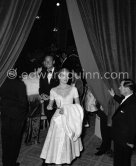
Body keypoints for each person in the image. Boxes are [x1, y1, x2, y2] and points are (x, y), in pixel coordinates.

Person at [40, 68, 84, 166]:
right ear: (59, 76)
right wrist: (49, 106)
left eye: (67, 75)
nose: (65, 78)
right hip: (58, 119)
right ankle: (58, 162)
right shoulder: (53, 90)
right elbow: (50, 106)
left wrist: (67, 109)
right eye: (63, 75)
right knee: (58, 144)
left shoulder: (74, 89)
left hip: (70, 119)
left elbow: (78, 106)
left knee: (68, 144)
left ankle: (66, 160)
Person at [0, 76, 28, 166]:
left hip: (5, 114)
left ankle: (5, 162)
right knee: (14, 142)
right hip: (17, 117)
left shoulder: (2, 81)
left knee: (5, 141)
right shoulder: (20, 84)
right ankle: (11, 163)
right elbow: (24, 103)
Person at [108, 79, 136, 166]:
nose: (119, 88)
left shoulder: (132, 104)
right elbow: (123, 103)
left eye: (121, 86)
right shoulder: (129, 98)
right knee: (118, 158)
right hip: (120, 137)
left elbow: (134, 125)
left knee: (124, 161)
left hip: (125, 140)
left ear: (127, 89)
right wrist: (114, 96)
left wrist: (131, 142)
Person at [39, 54, 59, 124]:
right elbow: (41, 88)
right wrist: (42, 94)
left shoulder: (59, 72)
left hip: (57, 102)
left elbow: (62, 89)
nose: (47, 63)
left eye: (49, 61)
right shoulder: (42, 73)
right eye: (46, 61)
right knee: (51, 122)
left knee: (58, 122)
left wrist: (51, 97)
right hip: (47, 102)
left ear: (53, 62)